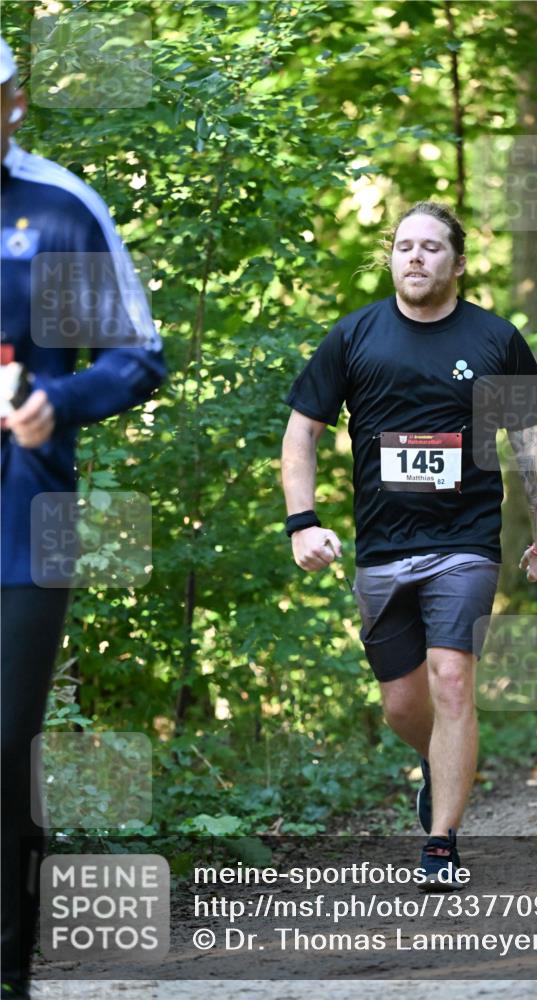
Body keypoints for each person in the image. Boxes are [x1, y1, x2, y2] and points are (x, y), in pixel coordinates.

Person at [281, 200, 537, 888]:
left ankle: (441, 842)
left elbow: (530, 444)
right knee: (403, 706)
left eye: (431, 247)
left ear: (457, 263)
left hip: (466, 541)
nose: (414, 256)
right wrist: (302, 521)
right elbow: (301, 434)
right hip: (382, 549)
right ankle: (441, 762)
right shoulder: (354, 336)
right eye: (404, 245)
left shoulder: (496, 340)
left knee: (452, 679)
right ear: (390, 258)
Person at [1, 37, 166, 998]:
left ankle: (8, 968)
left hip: (26, 519)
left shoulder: (58, 209)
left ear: (13, 104)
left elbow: (136, 354)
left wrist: (57, 402)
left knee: (4, 745)